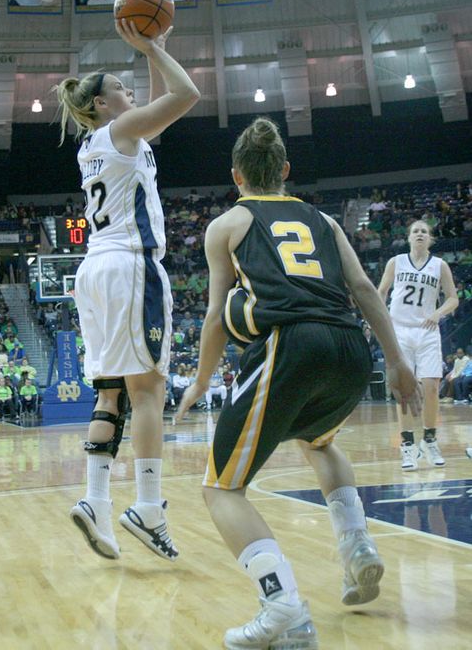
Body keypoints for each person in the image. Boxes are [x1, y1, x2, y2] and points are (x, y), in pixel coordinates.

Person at [174, 118, 422, 649]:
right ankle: (357, 551)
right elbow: (362, 288)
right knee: (321, 442)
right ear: (285, 170)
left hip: (293, 344)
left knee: (221, 489)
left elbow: (218, 316)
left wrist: (199, 381)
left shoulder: (228, 224)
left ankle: (282, 606)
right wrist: (397, 361)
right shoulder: (325, 221)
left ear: (236, 176)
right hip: (351, 348)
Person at [56, 17, 199, 562]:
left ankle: (94, 499)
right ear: (99, 104)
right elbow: (186, 94)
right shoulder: (119, 132)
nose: (130, 92)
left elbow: (156, 113)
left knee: (110, 391)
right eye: (119, 87)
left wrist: (152, 52)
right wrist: (151, 46)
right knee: (148, 392)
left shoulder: (99, 142)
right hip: (130, 267)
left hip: (95, 270)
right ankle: (147, 507)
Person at [378, 220, 458, 471]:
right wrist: (379, 322)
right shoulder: (396, 262)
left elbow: (453, 299)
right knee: (405, 389)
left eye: (424, 231)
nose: (420, 234)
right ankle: (407, 446)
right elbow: (380, 293)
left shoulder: (440, 265)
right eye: (415, 231)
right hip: (399, 330)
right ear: (409, 237)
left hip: (427, 331)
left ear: (430, 238)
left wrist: (438, 313)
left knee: (432, 386)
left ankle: (430, 440)